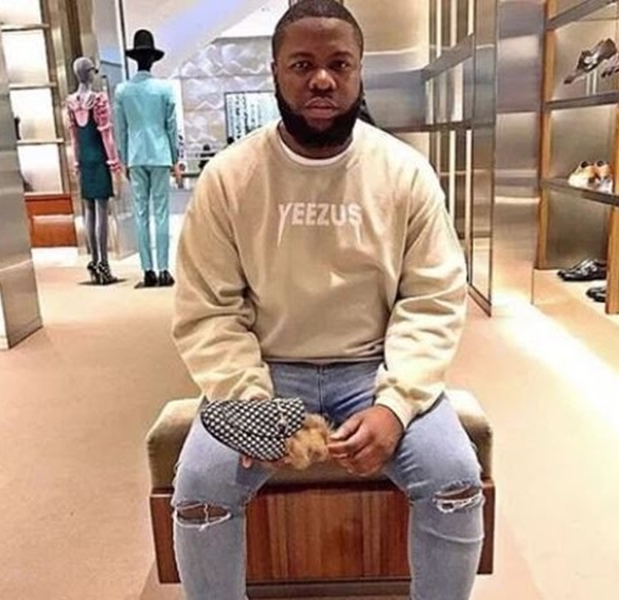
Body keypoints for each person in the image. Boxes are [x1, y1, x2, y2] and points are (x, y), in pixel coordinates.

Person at [170, 1, 484, 599]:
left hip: (372, 369)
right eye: (302, 64)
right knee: (200, 491)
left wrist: (396, 405)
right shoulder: (230, 177)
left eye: (339, 64)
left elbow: (432, 298)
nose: (321, 79)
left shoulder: (404, 172)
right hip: (267, 371)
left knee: (455, 480)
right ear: (275, 71)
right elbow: (208, 309)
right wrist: (250, 403)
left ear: (359, 71)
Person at [114, 30, 180, 288]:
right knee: (161, 212)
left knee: (140, 213)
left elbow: (121, 129)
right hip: (161, 154)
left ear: (135, 60)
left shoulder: (122, 91)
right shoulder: (164, 89)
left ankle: (147, 271)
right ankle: (164, 269)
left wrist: (124, 159)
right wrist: (175, 158)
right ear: (153, 60)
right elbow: (171, 126)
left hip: (135, 156)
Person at [65, 57, 121, 285]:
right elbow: (106, 134)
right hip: (99, 158)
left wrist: (76, 163)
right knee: (101, 211)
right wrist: (114, 162)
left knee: (88, 211)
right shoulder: (98, 100)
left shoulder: (71, 102)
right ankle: (104, 264)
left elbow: (74, 137)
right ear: (89, 73)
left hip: (84, 161)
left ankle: (94, 261)